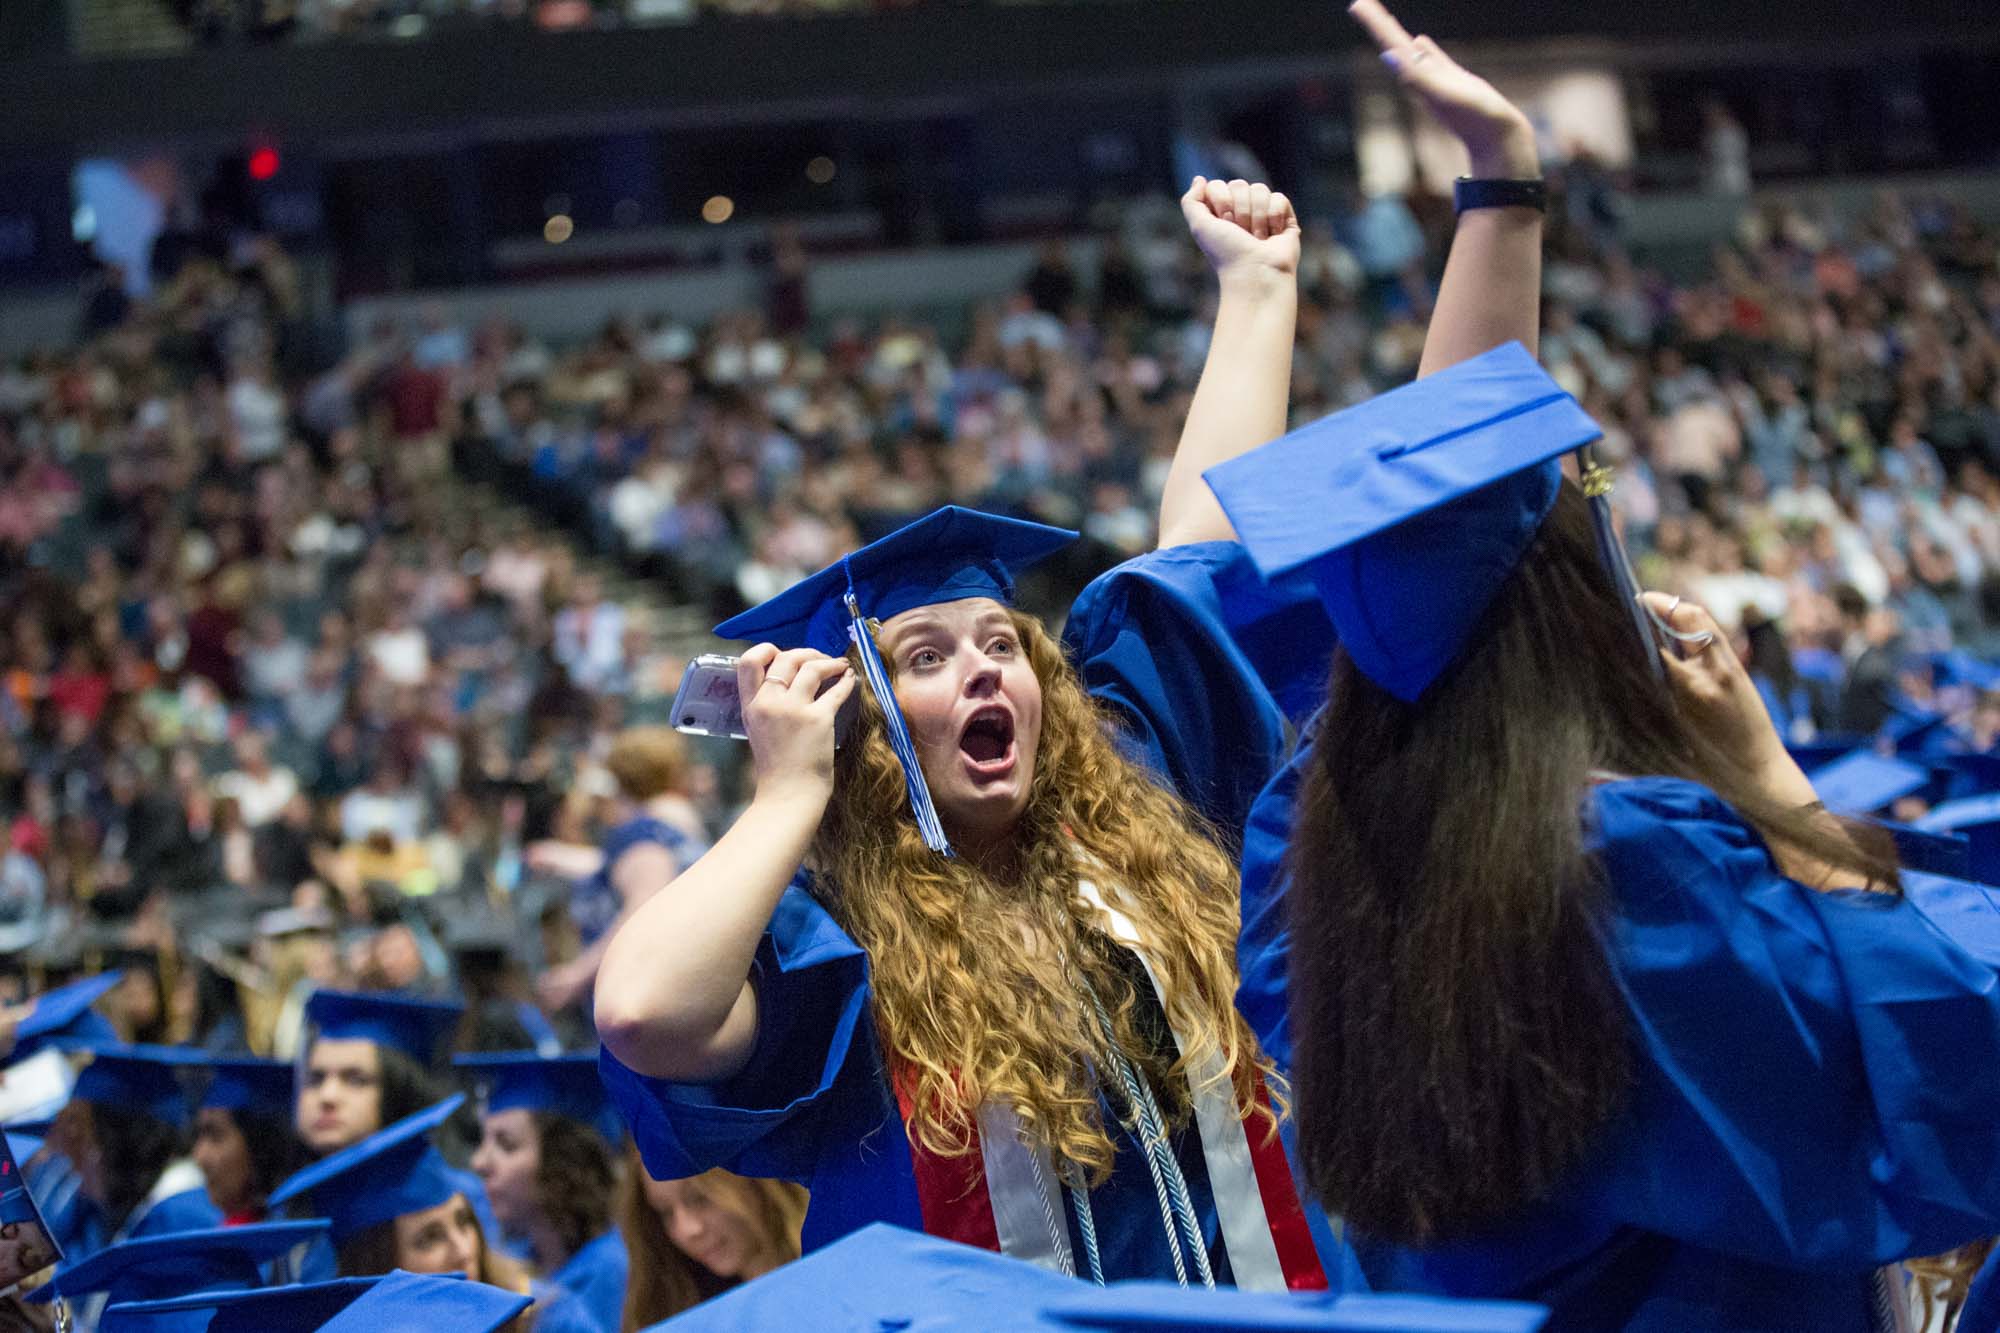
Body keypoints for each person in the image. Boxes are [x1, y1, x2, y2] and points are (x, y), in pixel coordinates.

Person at [596, 170, 1331, 1289]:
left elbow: (1194, 559)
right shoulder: (830, 940)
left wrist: (1257, 292)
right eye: (926, 659)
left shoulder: (1130, 804)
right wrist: (790, 790)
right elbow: (644, 1008)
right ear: (868, 730)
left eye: (1001, 643)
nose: (985, 669)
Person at [1213, 313, 2000, 1328]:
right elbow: (1945, 1074)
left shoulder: (1309, 852)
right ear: (1571, 598)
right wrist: (1771, 778)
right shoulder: (1629, 863)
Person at [268, 1097, 603, 1333]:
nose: (464, 1249)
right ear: (377, 1266)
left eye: (463, 1222)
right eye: (430, 1238)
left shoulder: (544, 1319)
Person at [531, 728, 708, 1015]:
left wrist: (576, 975)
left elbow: (640, 912)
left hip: (643, 997)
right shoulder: (678, 828)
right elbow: (628, 870)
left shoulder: (643, 832)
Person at [459, 1052, 627, 1333]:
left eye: (506, 1145)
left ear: (563, 1162)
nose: (479, 1162)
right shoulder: (515, 1256)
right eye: (483, 1139)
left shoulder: (614, 1275)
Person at [41, 1045, 223, 1266]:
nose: (67, 1154)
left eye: (82, 1137)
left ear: (117, 1141)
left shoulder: (181, 1217)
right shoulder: (109, 1213)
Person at [613, 1147, 805, 1328]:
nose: (686, 1230)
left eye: (700, 1199)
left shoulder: (825, 1273)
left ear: (756, 1178)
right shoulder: (681, 1313)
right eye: (665, 1213)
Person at [190, 1057, 309, 1226]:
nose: (199, 1156)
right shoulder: (225, 1230)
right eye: (198, 1135)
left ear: (260, 1145)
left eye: (216, 1136)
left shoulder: (292, 1243)